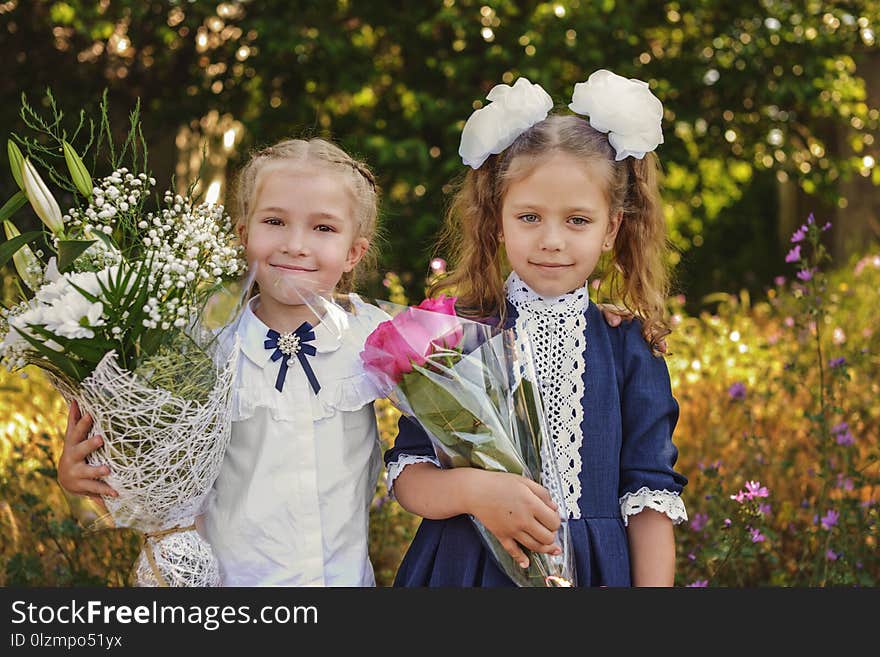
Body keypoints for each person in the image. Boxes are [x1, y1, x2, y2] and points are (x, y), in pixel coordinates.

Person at [385, 71, 689, 587]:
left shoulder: (628, 346)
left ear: (612, 227)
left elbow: (649, 501)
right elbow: (409, 475)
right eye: (529, 217)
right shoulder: (455, 335)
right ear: (496, 219)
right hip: (466, 569)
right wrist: (474, 492)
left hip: (591, 573)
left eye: (577, 220)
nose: (552, 240)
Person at [57, 137, 391, 586]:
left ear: (354, 251)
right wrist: (81, 471)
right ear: (242, 234)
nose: (295, 244)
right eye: (275, 221)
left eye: (323, 229)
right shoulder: (200, 345)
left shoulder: (377, 336)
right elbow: (144, 460)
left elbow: (442, 431)